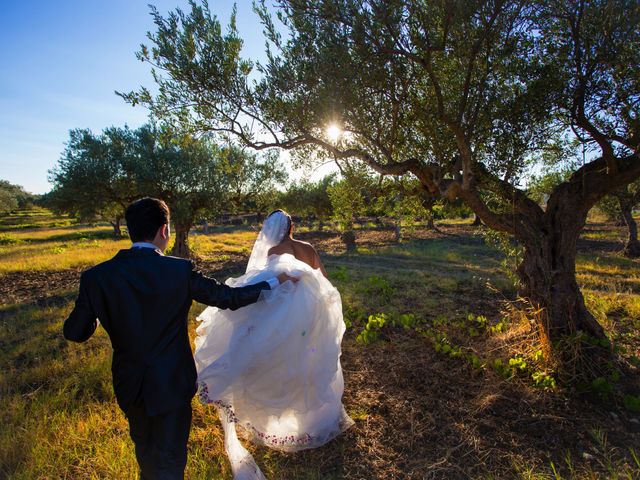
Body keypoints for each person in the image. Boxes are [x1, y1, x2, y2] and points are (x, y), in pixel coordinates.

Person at [63, 198, 296, 480]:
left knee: (145, 450)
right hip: (172, 382)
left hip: (129, 383)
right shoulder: (179, 271)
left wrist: (99, 311)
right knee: (172, 458)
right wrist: (274, 281)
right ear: (164, 231)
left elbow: (75, 333)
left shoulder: (96, 277)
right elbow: (228, 298)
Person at [194, 209, 353, 480]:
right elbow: (323, 279)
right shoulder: (308, 247)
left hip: (287, 318)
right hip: (312, 313)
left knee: (285, 363)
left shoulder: (275, 251)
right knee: (311, 362)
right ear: (291, 226)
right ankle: (314, 420)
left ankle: (285, 418)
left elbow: (272, 287)